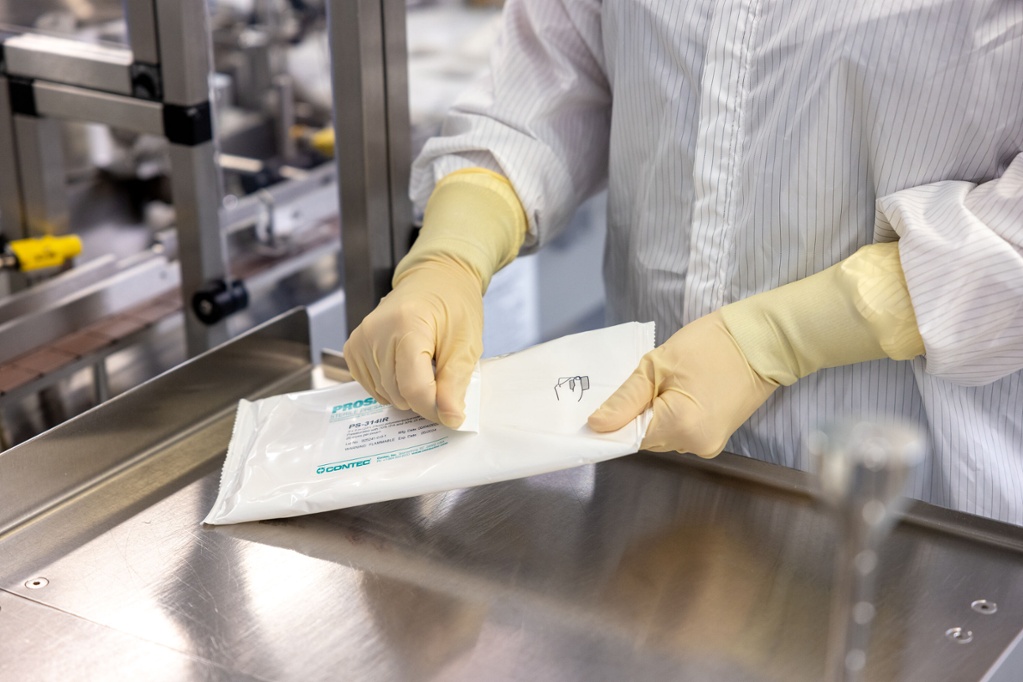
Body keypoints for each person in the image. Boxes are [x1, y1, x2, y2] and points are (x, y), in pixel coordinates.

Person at [345, 0, 1023, 524]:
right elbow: (549, 84)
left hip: (924, 511)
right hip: (650, 476)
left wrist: (785, 335)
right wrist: (450, 255)